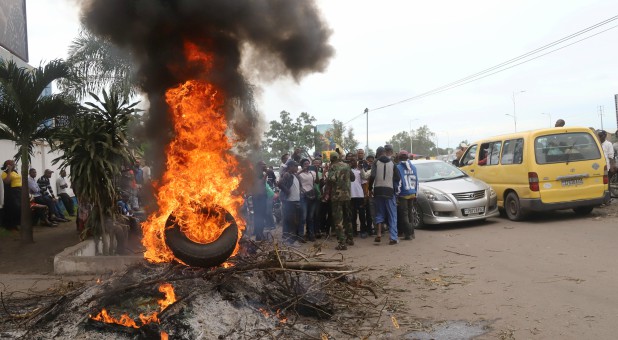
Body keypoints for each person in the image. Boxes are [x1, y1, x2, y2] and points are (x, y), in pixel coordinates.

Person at [369, 146, 400, 245]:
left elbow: (373, 176)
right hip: (389, 191)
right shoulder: (393, 163)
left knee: (379, 212)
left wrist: (370, 188)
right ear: (385, 153)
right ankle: (393, 238)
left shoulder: (375, 162)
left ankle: (378, 234)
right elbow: (398, 177)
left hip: (378, 191)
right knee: (392, 214)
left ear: (377, 154)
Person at [327, 153, 354, 250]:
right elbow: (353, 178)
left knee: (338, 220)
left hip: (337, 196)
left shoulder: (333, 167)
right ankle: (350, 238)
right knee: (348, 217)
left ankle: (342, 243)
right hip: (347, 195)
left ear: (331, 159)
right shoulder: (347, 166)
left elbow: (331, 179)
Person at [396, 150, 419, 240]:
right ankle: (412, 233)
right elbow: (417, 182)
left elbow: (399, 183)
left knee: (405, 214)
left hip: (403, 194)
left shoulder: (398, 167)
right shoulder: (413, 167)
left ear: (399, 157)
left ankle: (408, 234)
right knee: (410, 214)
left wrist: (397, 194)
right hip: (412, 193)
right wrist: (416, 194)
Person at [278, 160, 302, 245]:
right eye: (295, 166)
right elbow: (279, 183)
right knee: (291, 222)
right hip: (289, 202)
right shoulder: (287, 174)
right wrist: (287, 191)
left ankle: (287, 239)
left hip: (295, 201)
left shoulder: (294, 175)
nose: (297, 168)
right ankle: (291, 240)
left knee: (291, 221)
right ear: (290, 166)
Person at [298, 158, 318, 241]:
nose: (307, 165)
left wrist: (316, 171)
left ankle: (311, 234)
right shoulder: (299, 173)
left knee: (310, 217)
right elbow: (295, 178)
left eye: (308, 163)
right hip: (303, 196)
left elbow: (316, 182)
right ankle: (301, 235)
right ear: (302, 165)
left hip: (312, 195)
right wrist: (301, 171)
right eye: (305, 164)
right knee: (303, 217)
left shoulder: (312, 173)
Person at [2, 160, 22, 230]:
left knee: (20, 207)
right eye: (13, 164)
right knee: (15, 208)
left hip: (19, 191)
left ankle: (18, 223)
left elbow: (19, 180)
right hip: (11, 192)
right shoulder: (4, 173)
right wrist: (9, 171)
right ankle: (13, 225)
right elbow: (7, 182)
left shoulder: (15, 172)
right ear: (8, 165)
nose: (14, 165)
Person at [349, 159, 367, 238]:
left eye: (353, 160)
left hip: (359, 195)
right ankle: (354, 231)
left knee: (362, 214)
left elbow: (364, 183)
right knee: (352, 215)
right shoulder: (347, 171)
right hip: (350, 195)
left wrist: (365, 194)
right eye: (351, 161)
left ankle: (363, 231)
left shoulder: (360, 171)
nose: (352, 162)